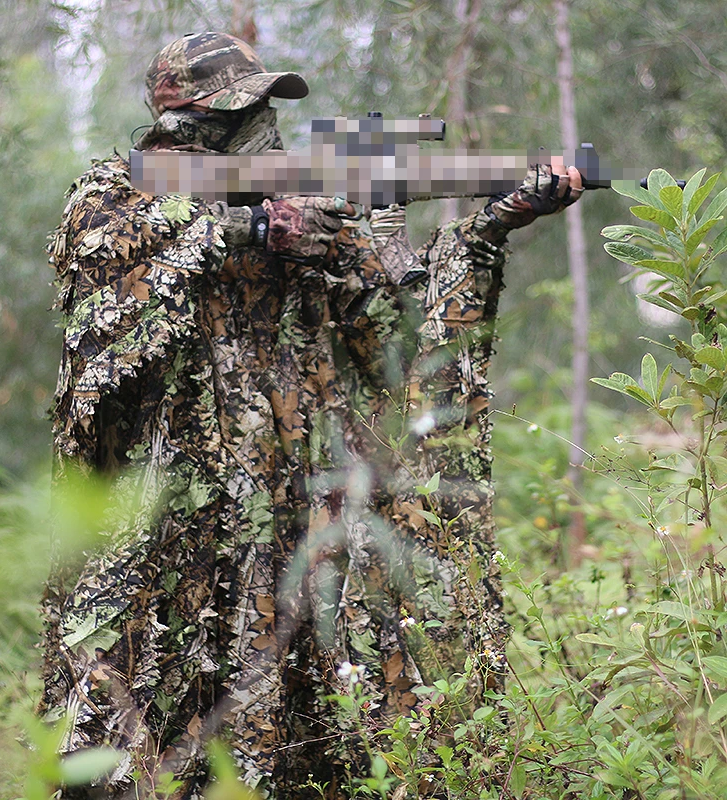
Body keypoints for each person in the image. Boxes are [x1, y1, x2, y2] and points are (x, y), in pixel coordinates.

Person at [41, 30, 583, 799]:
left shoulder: (312, 213)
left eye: (265, 108)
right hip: (159, 519)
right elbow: (101, 253)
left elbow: (397, 345)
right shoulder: (115, 191)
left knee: (283, 726)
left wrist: (481, 227)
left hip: (283, 519)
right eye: (243, 111)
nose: (264, 125)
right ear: (183, 119)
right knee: (130, 713)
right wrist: (257, 230)